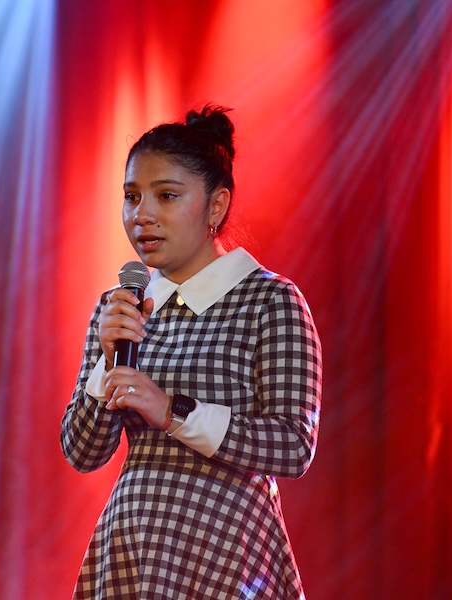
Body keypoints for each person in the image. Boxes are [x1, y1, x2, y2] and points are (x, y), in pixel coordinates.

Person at [60, 105, 322, 599]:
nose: (142, 215)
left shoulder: (269, 301)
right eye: (132, 196)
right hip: (133, 546)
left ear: (216, 206)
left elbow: (293, 445)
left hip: (227, 549)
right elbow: (82, 451)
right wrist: (107, 362)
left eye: (166, 195)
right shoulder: (121, 307)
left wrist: (171, 410)